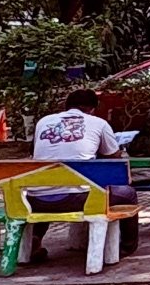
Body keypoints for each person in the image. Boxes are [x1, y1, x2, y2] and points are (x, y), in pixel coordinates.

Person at [28, 88, 139, 264]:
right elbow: (114, 157)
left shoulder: (44, 122)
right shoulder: (98, 123)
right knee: (128, 194)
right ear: (92, 108)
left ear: (66, 106)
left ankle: (35, 238)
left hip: (35, 200)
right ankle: (126, 247)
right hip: (79, 198)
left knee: (50, 188)